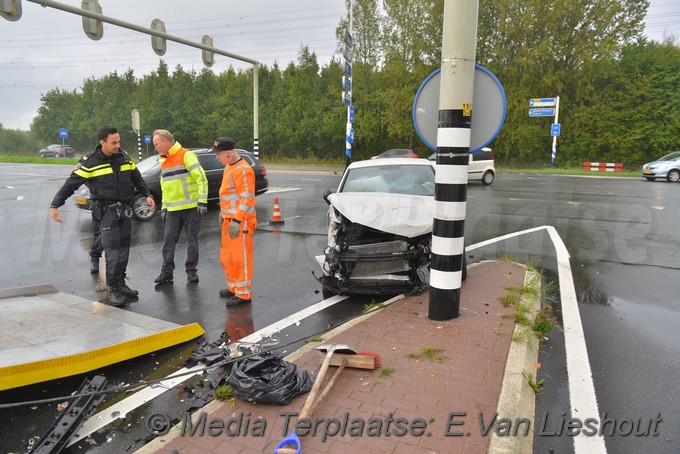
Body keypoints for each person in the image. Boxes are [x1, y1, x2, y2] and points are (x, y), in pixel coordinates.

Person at [50, 125, 155, 306]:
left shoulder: (123, 156)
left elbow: (136, 177)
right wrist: (55, 204)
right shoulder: (90, 162)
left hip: (124, 209)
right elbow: (70, 184)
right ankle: (112, 288)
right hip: (106, 211)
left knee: (123, 249)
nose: (117, 145)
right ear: (102, 142)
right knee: (113, 251)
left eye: (118, 141)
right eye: (113, 142)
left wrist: (148, 194)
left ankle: (121, 284)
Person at [152, 129, 208, 284]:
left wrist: (202, 201)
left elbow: (201, 178)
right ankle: (166, 273)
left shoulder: (186, 155)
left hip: (191, 208)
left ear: (165, 141)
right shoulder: (163, 159)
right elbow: (165, 187)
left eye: (157, 144)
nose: (155, 148)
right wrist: (164, 207)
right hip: (172, 210)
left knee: (192, 241)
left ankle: (191, 272)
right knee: (168, 241)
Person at [210, 137, 256, 306]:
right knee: (227, 257)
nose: (217, 158)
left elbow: (246, 198)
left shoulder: (243, 170)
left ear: (228, 154)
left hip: (240, 222)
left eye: (219, 154)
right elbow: (229, 195)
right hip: (230, 221)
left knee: (240, 258)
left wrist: (237, 219)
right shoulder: (229, 167)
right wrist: (223, 213)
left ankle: (244, 293)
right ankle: (234, 287)